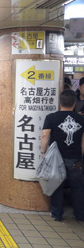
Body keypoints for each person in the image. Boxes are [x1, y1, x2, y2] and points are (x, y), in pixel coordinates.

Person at [40, 89, 84, 222]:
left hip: (56, 158)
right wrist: (81, 157)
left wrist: (43, 153)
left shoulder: (51, 117)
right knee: (77, 188)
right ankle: (80, 215)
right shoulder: (81, 119)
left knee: (57, 187)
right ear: (74, 104)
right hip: (75, 158)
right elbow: (83, 142)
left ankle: (57, 214)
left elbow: (44, 136)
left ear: (59, 102)